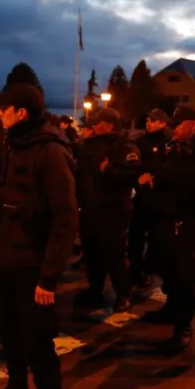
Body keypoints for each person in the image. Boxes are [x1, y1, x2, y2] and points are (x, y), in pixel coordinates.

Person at [0, 83, 78, 389]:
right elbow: (0, 205)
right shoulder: (14, 145)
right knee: (9, 331)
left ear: (21, 113)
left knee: (40, 343)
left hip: (34, 267)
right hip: (8, 261)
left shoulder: (51, 151)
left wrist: (49, 277)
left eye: (4, 108)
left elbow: (65, 217)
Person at [142, 105, 195, 351]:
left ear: (193, 125)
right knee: (171, 268)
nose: (173, 129)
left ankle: (184, 327)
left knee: (190, 273)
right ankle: (171, 310)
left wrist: (165, 177)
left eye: (177, 124)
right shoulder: (177, 147)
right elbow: (166, 173)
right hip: (172, 217)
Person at [73, 107, 140, 312]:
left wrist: (109, 170)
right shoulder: (87, 146)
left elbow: (133, 176)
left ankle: (123, 293)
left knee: (113, 254)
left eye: (97, 122)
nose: (93, 125)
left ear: (109, 125)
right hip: (89, 209)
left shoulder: (124, 147)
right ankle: (95, 290)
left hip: (114, 211)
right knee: (92, 253)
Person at [128, 109, 171, 292]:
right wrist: (138, 175)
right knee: (135, 237)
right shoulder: (139, 142)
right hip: (141, 198)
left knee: (156, 239)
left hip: (160, 199)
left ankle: (148, 270)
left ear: (163, 123)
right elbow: (131, 164)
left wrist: (156, 176)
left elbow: (171, 166)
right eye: (148, 120)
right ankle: (134, 271)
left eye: (154, 121)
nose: (149, 123)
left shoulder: (169, 143)